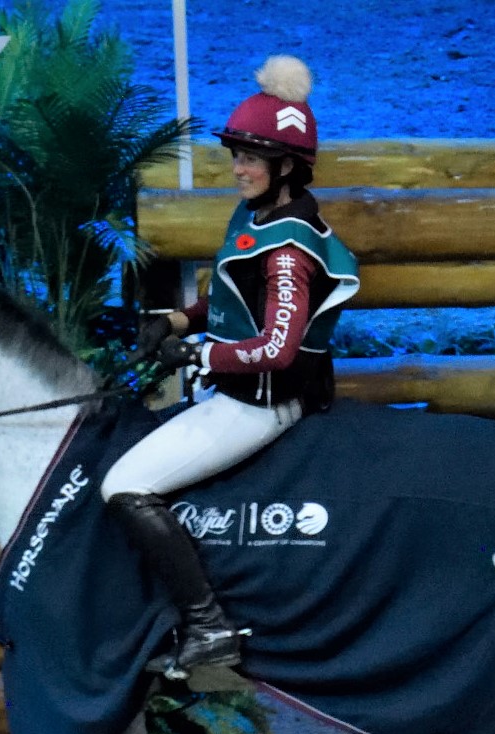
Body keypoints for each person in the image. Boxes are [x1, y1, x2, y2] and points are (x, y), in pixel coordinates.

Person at [102, 54, 360, 676]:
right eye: (235, 155)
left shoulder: (291, 248)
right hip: (240, 388)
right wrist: (179, 320)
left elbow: (279, 347)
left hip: (264, 403)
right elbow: (229, 297)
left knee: (124, 486)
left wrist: (197, 354)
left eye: (250, 158)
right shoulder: (257, 215)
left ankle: (209, 626)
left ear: (288, 167)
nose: (236, 167)